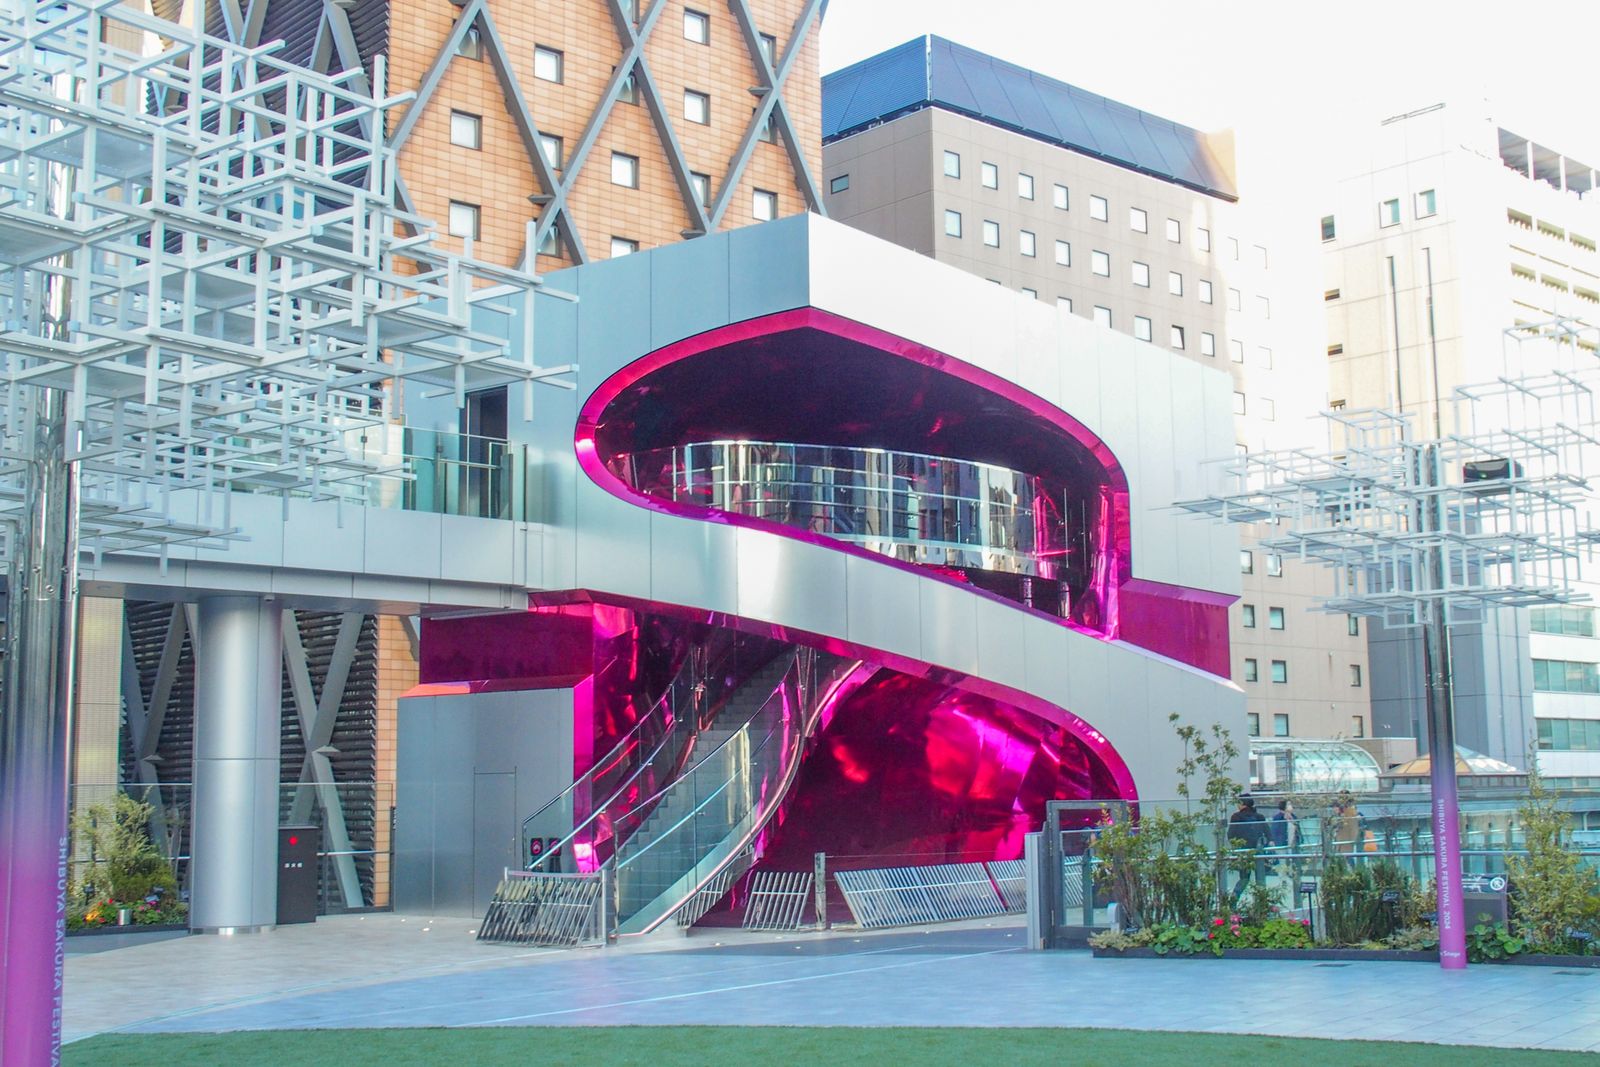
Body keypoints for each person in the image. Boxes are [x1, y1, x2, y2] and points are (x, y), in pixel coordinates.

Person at [1227, 796, 1270, 904]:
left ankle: (1234, 898)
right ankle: (1261, 903)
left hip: (1243, 852)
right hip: (1258, 851)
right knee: (1260, 878)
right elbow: (1268, 832)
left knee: (1244, 878)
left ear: (1242, 804)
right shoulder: (1259, 816)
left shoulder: (1236, 817)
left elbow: (1231, 835)